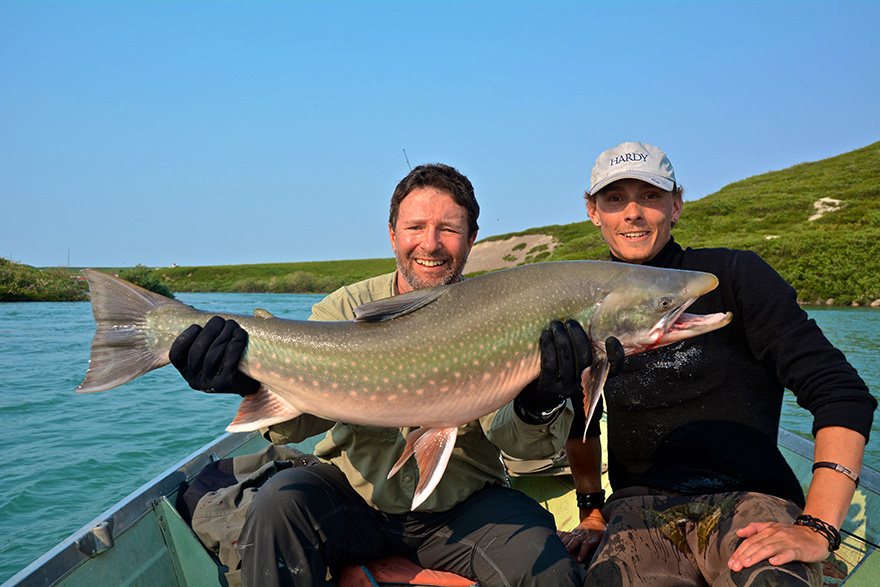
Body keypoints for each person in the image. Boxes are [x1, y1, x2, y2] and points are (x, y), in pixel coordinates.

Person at [169, 163, 591, 586]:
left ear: (471, 239)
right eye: (416, 227)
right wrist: (251, 381)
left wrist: (540, 403)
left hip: (466, 505)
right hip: (354, 498)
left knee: (547, 568)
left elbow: (513, 442)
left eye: (448, 229)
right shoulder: (343, 309)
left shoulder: (500, 312)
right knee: (277, 505)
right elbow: (296, 426)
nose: (431, 243)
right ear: (392, 234)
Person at [560, 141, 876, 587]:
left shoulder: (735, 276)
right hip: (638, 510)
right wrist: (591, 511)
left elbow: (842, 394)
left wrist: (819, 526)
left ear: (677, 204)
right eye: (615, 199)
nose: (633, 213)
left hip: (751, 499)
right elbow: (582, 419)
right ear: (594, 212)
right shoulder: (580, 298)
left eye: (650, 195)